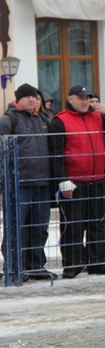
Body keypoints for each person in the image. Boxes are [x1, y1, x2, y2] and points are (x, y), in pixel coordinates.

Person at [48, 85, 105, 278]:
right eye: (81, 98)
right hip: (75, 181)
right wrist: (63, 180)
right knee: (73, 225)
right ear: (70, 99)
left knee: (98, 223)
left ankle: (97, 262)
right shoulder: (60, 121)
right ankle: (72, 264)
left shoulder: (98, 117)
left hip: (97, 178)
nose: (85, 101)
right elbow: (56, 154)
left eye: (88, 98)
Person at [0, 83, 56, 281]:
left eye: (34, 97)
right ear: (19, 99)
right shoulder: (9, 119)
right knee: (16, 226)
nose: (32, 100)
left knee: (40, 227)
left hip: (42, 182)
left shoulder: (43, 119)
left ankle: (35, 265)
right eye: (27, 97)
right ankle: (14, 267)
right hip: (18, 184)